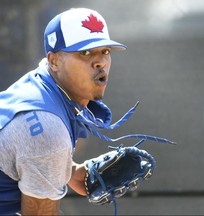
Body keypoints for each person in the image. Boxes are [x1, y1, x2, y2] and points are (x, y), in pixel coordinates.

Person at [0, 7, 173, 215]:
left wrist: (70, 171)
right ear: (54, 61)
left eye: (105, 51)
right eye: (85, 52)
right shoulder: (48, 129)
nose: (100, 62)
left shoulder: (40, 84)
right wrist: (53, 160)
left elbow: (19, 151)